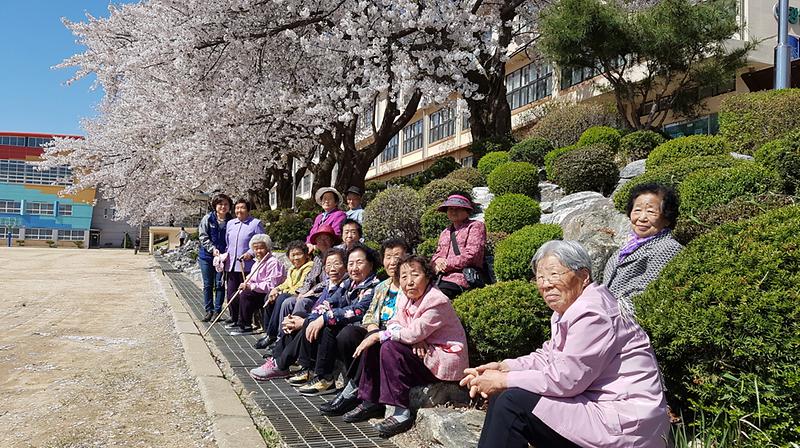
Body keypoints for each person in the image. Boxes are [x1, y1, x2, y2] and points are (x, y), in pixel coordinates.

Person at [461, 240, 669, 448]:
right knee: (504, 397)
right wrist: (503, 367)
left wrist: (504, 380)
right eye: (540, 277)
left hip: (626, 424)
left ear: (584, 276)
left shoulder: (593, 313)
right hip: (597, 407)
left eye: (554, 275)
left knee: (512, 403)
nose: (546, 284)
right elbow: (549, 356)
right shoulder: (570, 308)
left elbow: (567, 379)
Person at [344, 255, 469, 438]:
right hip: (421, 351)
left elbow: (413, 332)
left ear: (427, 277)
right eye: (403, 277)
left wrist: (410, 336)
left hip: (440, 359)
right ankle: (370, 401)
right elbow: (395, 322)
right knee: (375, 344)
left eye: (415, 275)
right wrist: (413, 338)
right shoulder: (405, 297)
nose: (409, 282)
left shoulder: (437, 301)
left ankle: (401, 412)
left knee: (388, 346)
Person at [318, 238, 410, 416]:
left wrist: (377, 335)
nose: (392, 262)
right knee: (348, 334)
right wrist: (373, 329)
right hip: (376, 331)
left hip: (395, 335)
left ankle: (359, 394)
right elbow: (370, 314)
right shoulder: (382, 286)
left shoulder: (410, 286)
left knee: (372, 342)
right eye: (388, 257)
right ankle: (354, 387)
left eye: (397, 257)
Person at [290, 243, 381, 396]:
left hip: (362, 328)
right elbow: (330, 302)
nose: (354, 268)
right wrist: (315, 317)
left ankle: (326, 378)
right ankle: (310, 369)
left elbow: (357, 311)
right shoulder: (348, 283)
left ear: (370, 264)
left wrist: (325, 318)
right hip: (345, 324)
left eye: (359, 263)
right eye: (350, 264)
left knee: (328, 326)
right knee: (312, 321)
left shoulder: (373, 286)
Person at [249, 248, 349, 381]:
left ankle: (282, 365)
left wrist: (304, 321)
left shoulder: (346, 285)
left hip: (336, 325)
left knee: (303, 319)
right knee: (297, 316)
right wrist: (296, 319)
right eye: (328, 265)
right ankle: (277, 359)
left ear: (346, 266)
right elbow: (318, 307)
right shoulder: (329, 284)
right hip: (322, 318)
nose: (332, 268)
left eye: (337, 264)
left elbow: (333, 310)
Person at [602, 182, 683, 318]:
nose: (642, 218)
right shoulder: (628, 247)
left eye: (651, 212)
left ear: (667, 219)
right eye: (637, 210)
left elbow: (645, 295)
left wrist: (602, 314)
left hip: (626, 322)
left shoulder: (668, 248)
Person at [258, 224, 340, 350]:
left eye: (326, 239)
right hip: (311, 293)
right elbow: (309, 279)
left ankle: (286, 340)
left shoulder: (335, 256)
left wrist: (307, 292)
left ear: (332, 240)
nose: (322, 242)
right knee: (278, 299)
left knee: (290, 301)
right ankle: (278, 337)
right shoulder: (318, 259)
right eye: (319, 239)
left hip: (326, 295)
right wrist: (301, 292)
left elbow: (329, 281)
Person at [253, 240, 314, 349]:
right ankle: (268, 333)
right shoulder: (292, 269)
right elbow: (286, 283)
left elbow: (301, 285)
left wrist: (282, 292)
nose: (296, 258)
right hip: (290, 292)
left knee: (282, 298)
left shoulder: (309, 267)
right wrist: (276, 289)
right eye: (293, 255)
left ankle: (274, 335)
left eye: (299, 254)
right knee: (269, 297)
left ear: (306, 255)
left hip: (300, 294)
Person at [430, 193, 486, 300]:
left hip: (462, 277)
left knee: (436, 298)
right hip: (439, 278)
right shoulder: (445, 232)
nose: (453, 211)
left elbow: (472, 254)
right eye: (450, 208)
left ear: (467, 211)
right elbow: (438, 254)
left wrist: (446, 264)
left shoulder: (475, 226)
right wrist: (436, 262)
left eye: (458, 208)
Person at [230, 234, 287, 335]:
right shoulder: (257, 263)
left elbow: (271, 285)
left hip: (268, 294)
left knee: (246, 295)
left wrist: (251, 286)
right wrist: (246, 283)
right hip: (258, 291)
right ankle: (236, 321)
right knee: (235, 295)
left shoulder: (273, 262)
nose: (258, 251)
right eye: (256, 249)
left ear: (267, 248)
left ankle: (246, 326)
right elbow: (251, 279)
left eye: (261, 248)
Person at [223, 198, 265, 331]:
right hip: (231, 264)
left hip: (247, 266)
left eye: (242, 208)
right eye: (237, 208)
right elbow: (228, 243)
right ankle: (233, 317)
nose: (239, 210)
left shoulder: (255, 224)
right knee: (231, 293)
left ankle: (243, 320)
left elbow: (262, 242)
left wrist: (251, 253)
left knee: (243, 294)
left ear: (248, 210)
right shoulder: (230, 223)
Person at [197, 194, 233, 322]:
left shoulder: (232, 221)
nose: (223, 207)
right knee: (208, 284)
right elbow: (203, 236)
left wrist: (227, 253)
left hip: (223, 258)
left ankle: (217, 311)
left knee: (220, 284)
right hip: (207, 257)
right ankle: (209, 310)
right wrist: (212, 249)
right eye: (220, 204)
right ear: (215, 206)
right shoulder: (208, 218)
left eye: (226, 204)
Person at [306, 187, 346, 254]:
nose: (326, 201)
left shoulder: (339, 214)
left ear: (336, 202)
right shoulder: (319, 217)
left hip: (330, 249)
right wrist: (308, 243)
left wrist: (318, 245)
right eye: (324, 199)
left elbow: (336, 234)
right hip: (314, 248)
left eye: (330, 199)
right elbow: (312, 233)